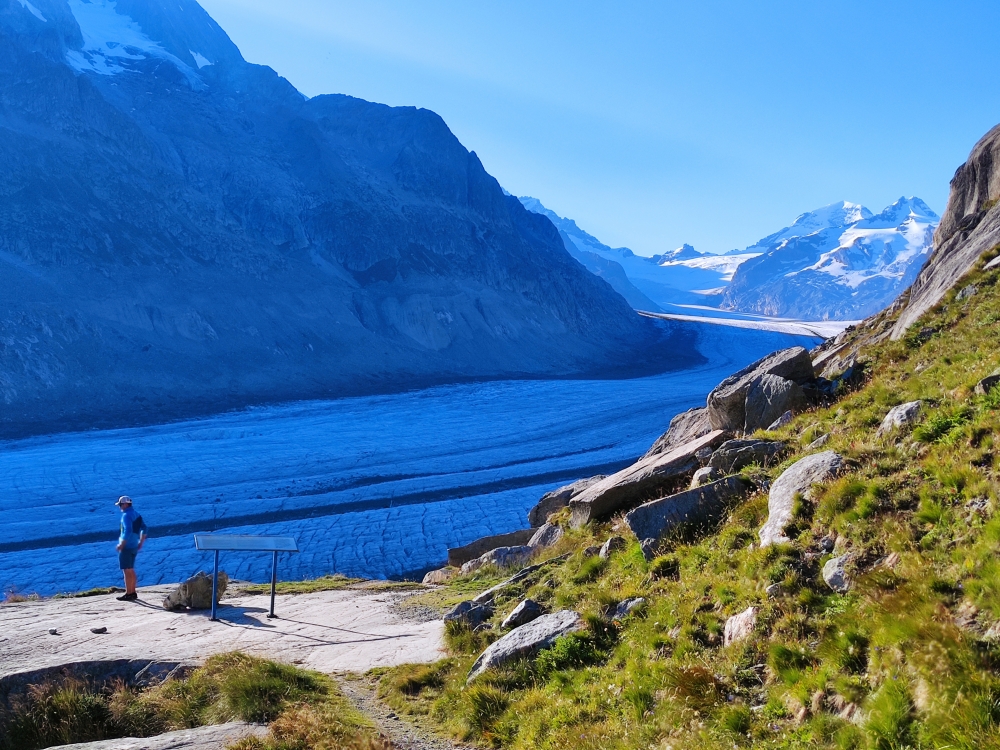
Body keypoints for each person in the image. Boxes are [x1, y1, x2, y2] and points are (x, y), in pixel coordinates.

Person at [115, 495, 148, 601]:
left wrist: (122, 544)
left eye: (120, 504)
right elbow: (145, 528)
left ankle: (129, 593)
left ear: (125, 504)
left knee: (126, 570)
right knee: (131, 569)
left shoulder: (126, 516)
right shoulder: (137, 514)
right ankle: (133, 592)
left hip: (127, 547)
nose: (120, 506)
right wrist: (141, 542)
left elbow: (128, 531)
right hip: (134, 546)